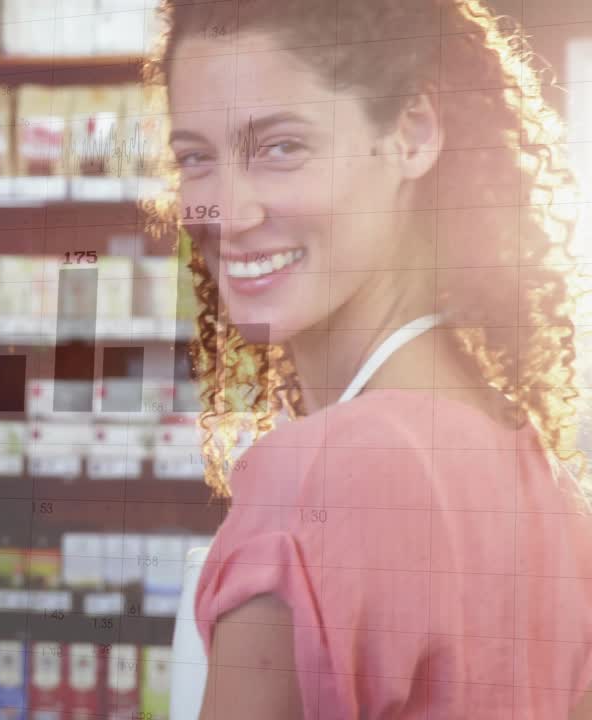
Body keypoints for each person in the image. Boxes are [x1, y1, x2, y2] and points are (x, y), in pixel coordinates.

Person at [150, 0, 592, 717]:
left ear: (411, 133)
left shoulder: (316, 479)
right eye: (195, 158)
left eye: (280, 146)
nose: (227, 213)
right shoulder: (541, 481)